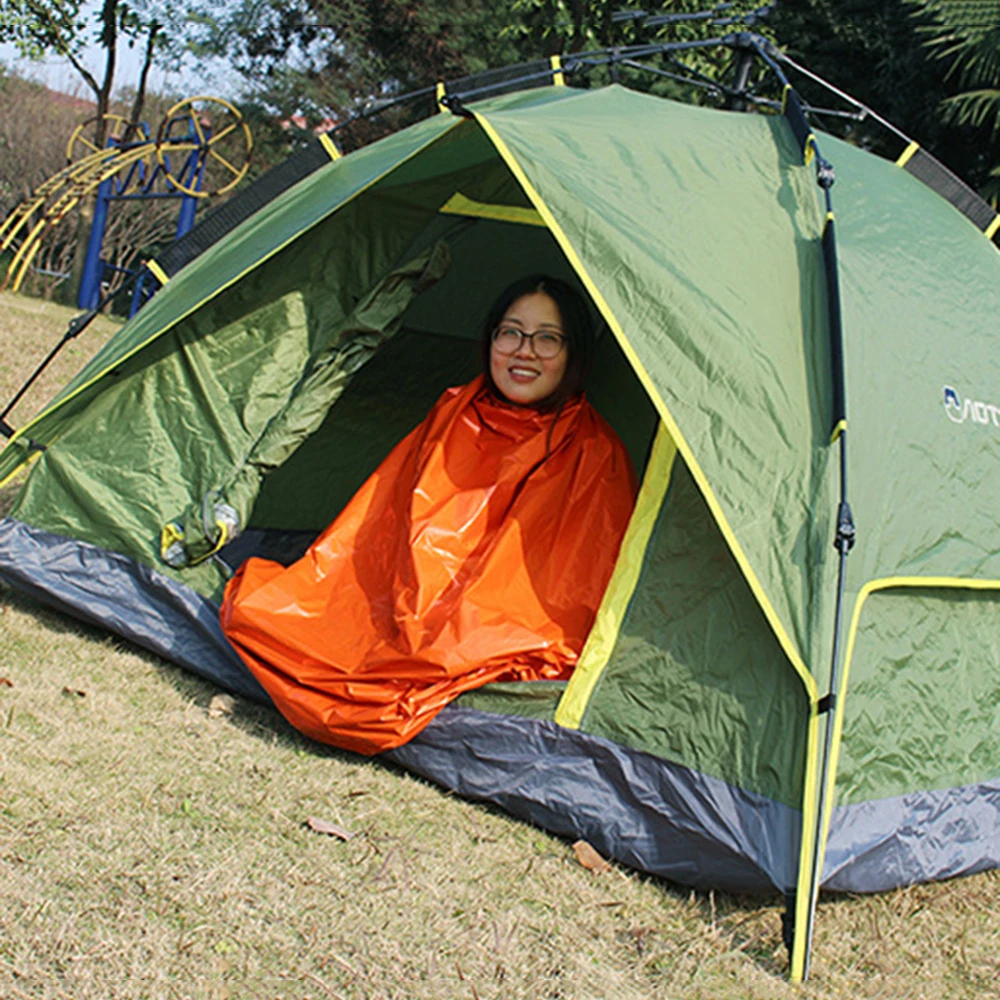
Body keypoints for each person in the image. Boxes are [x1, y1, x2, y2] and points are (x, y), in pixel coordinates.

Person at [220, 275, 637, 755]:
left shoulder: (592, 453)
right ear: (491, 341)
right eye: (511, 333)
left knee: (441, 649)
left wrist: (454, 626)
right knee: (286, 617)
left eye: (547, 338)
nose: (525, 351)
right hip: (394, 602)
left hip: (488, 627)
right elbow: (382, 526)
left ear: (574, 354)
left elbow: (563, 595)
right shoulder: (455, 409)